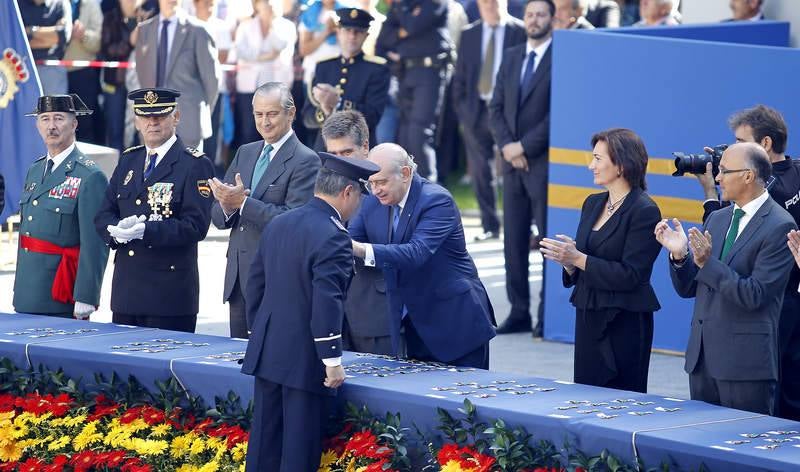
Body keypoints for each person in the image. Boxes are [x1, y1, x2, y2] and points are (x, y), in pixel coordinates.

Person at [241, 153, 380, 472]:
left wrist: (259, 335)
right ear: (348, 192)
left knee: (264, 445)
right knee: (298, 453)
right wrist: (332, 360)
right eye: (359, 197)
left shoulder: (280, 222)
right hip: (305, 360)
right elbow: (326, 301)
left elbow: (256, 286)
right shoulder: (334, 235)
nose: (358, 206)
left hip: (269, 353)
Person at [655, 142, 796, 415]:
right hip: (702, 360)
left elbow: (755, 295)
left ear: (748, 175)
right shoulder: (717, 219)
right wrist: (680, 256)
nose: (717, 178)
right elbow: (691, 288)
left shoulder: (781, 225)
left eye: (724, 171)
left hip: (745, 366)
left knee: (743, 452)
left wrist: (707, 263)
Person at [349, 143, 496, 368]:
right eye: (370, 183)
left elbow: (416, 252)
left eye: (381, 182)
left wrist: (359, 249)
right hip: (413, 325)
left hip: (456, 325)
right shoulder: (372, 201)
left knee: (466, 400)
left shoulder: (437, 200)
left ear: (405, 174)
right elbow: (351, 238)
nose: (375, 189)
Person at [696, 105, 800, 421]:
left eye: (740, 141)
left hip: (773, 305)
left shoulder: (769, 199)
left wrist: (711, 196)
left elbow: (725, 246)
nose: (731, 149)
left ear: (764, 146)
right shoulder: (796, 170)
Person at [540, 129, 661, 392]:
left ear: (620, 164)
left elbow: (632, 275)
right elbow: (586, 259)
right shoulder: (592, 203)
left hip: (624, 320)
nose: (590, 165)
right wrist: (569, 263)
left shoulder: (644, 210)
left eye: (597, 158)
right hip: (589, 315)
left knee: (621, 398)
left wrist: (579, 258)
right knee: (585, 393)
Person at [94, 88, 215, 333]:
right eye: (146, 116)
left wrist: (146, 230)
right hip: (127, 290)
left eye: (160, 115)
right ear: (136, 121)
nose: (153, 122)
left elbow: (196, 226)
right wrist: (116, 232)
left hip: (169, 295)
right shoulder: (129, 160)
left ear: (176, 117)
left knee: (165, 370)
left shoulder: (194, 164)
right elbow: (103, 214)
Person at [209, 82, 320, 339]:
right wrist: (226, 205)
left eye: (272, 114)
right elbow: (218, 216)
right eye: (259, 114)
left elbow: (293, 220)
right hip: (238, 280)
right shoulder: (245, 153)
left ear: (290, 114)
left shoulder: (305, 160)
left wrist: (243, 204)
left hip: (275, 279)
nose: (265, 122)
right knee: (236, 360)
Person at [489, 0, 553, 337]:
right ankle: (519, 311)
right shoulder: (513, 55)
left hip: (541, 164)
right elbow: (496, 107)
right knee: (512, 240)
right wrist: (508, 147)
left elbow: (555, 112)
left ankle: (546, 314)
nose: (534, 20)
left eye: (541, 14)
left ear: (552, 19)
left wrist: (525, 147)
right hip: (512, 164)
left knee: (545, 241)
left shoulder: (561, 58)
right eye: (529, 14)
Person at [14, 94, 109, 319]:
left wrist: (87, 295)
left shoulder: (89, 175)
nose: (51, 126)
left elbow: (95, 243)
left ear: (74, 123)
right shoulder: (35, 170)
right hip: (27, 291)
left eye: (59, 118)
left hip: (59, 292)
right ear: (37, 125)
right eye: (45, 119)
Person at [452, 0, 525, 242]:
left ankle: (524, 224)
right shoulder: (469, 34)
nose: (489, 6)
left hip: (508, 111)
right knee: (481, 170)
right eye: (484, 2)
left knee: (515, 166)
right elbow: (460, 74)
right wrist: (462, 109)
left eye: (494, 1)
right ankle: (490, 225)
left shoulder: (520, 31)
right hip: (477, 110)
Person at [320, 110, 393, 355]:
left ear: (365, 146)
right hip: (335, 309)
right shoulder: (322, 186)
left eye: (347, 152)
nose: (340, 161)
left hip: (377, 310)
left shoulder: (389, 182)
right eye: (333, 154)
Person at [376, 0, 451, 181]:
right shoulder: (404, 4)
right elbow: (383, 39)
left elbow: (413, 25)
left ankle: (430, 190)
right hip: (405, 73)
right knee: (406, 135)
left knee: (420, 133)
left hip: (429, 72)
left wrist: (402, 15)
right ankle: (410, 189)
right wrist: (404, 23)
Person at [134, 0, 220, 149]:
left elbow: (212, 82)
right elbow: (143, 77)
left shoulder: (199, 31)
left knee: (191, 172)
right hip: (152, 124)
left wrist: (200, 113)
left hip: (189, 125)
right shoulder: (144, 30)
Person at [303, 7, 390, 151]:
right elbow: (307, 117)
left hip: (358, 149)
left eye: (358, 32)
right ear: (338, 32)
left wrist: (337, 104)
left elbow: (372, 117)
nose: (352, 36)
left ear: (366, 35)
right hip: (325, 148)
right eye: (347, 30)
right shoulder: (323, 66)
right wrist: (325, 111)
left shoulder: (377, 69)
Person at [233, 0, 296, 147]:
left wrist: (271, 26)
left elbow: (280, 46)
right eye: (266, 2)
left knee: (276, 129)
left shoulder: (287, 26)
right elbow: (240, 52)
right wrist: (264, 56)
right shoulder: (246, 26)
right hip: (249, 86)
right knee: (248, 130)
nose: (270, 5)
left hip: (276, 88)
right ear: (257, 5)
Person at [100, 0, 144, 154]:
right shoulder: (110, 18)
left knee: (140, 132)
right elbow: (107, 49)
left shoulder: (146, 19)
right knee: (115, 130)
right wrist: (129, 42)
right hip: (115, 83)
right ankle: (115, 171)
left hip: (140, 84)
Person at [19, 0, 73, 95]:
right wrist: (50, 36)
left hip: (52, 71)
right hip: (23, 69)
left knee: (54, 109)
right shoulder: (17, 5)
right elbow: (18, 39)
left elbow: (62, 36)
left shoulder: (60, 3)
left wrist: (30, 31)